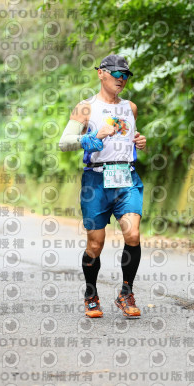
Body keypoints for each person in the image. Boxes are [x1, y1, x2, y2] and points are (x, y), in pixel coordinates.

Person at [58, 54, 147, 318]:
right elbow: (64, 142)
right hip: (96, 181)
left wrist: (138, 140)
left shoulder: (130, 108)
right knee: (95, 245)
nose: (121, 79)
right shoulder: (85, 108)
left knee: (133, 234)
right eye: (116, 74)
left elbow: (128, 136)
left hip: (126, 177)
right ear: (101, 73)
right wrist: (91, 138)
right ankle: (91, 294)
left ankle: (126, 293)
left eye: (125, 75)